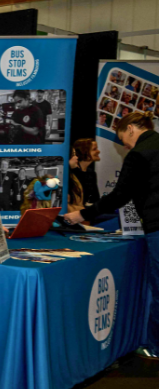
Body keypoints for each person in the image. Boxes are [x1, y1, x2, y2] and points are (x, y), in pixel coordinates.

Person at [64, 111, 159, 359]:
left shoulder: (138, 154)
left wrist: (82, 214)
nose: (124, 145)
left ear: (130, 129)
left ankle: (155, 346)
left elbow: (119, 196)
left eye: (122, 139)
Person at [70, 138, 102, 206]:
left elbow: (96, 199)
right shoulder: (71, 173)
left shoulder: (92, 173)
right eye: (94, 149)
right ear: (84, 152)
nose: (98, 151)